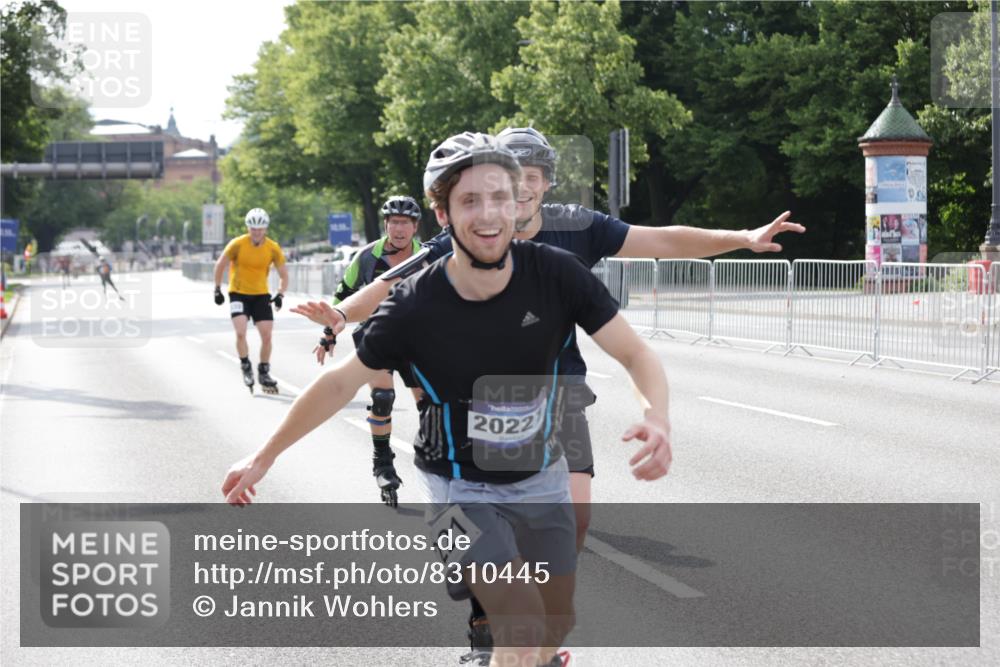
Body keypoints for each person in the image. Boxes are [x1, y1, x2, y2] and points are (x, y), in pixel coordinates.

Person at [293, 126, 804, 662]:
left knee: (573, 518)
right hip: (491, 397)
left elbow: (662, 239)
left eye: (532, 177)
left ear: (544, 182)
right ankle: (491, 624)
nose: (520, 190)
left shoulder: (577, 228)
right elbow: (392, 283)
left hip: (561, 391)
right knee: (485, 521)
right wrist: (340, 315)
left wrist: (742, 237)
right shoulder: (469, 231)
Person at [223, 133, 672, 667]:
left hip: (541, 477)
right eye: (469, 201)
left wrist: (657, 418)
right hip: (453, 488)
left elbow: (635, 353)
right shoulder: (414, 306)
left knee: (546, 633)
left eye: (500, 197)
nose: (489, 214)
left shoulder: (556, 273)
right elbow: (340, 384)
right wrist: (264, 456)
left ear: (518, 203)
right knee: (521, 623)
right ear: (442, 214)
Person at [318, 195, 424, 507]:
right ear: (386, 225)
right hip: (376, 335)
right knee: (382, 397)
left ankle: (436, 462)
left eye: (405, 223)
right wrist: (329, 332)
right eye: (394, 222)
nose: (399, 229)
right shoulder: (366, 257)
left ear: (415, 227)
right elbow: (343, 295)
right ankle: (383, 462)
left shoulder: (428, 257)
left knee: (430, 405)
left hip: (417, 338)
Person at [213, 208, 289, 395]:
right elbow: (220, 264)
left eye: (260, 229)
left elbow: (284, 275)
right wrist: (217, 288)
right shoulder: (237, 244)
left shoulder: (272, 248)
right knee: (240, 333)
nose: (256, 232)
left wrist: (280, 294)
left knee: (267, 336)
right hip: (238, 293)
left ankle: (263, 371)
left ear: (265, 229)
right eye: (253, 229)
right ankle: (245, 365)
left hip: (261, 295)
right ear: (248, 228)